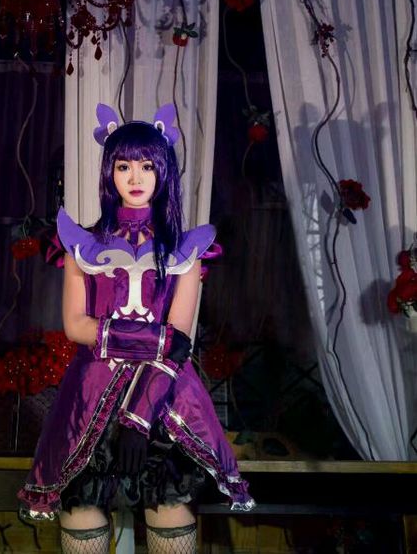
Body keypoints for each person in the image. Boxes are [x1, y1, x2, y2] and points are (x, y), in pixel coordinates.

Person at [18, 104, 254, 553]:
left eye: (147, 165)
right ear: (109, 172)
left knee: (168, 508)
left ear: (163, 171)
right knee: (82, 511)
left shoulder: (186, 249)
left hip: (164, 401)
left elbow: (180, 344)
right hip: (89, 400)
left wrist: (138, 419)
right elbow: (75, 325)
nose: (135, 177)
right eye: (124, 166)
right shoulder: (81, 244)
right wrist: (157, 339)